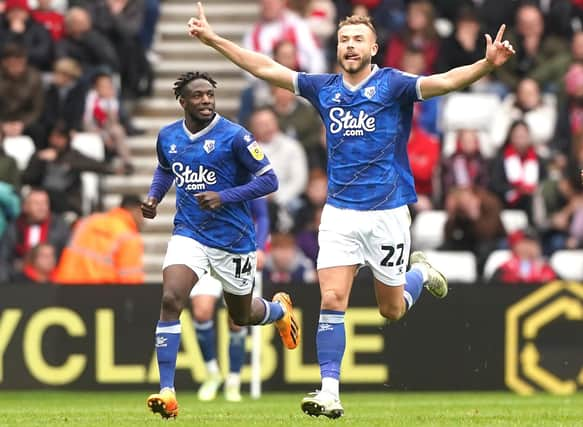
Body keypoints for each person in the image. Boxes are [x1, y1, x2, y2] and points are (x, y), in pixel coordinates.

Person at [187, 3, 515, 418]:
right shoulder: (324, 88)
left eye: (358, 39)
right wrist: (214, 39)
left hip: (388, 213)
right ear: (337, 48)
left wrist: (485, 65)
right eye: (344, 40)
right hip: (340, 213)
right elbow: (265, 69)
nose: (350, 45)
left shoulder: (394, 84)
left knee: (391, 310)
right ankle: (329, 391)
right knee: (332, 297)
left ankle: (420, 273)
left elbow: (443, 82)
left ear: (374, 48)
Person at [142, 71, 299, 419]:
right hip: (189, 233)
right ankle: (167, 391)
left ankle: (278, 311)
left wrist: (224, 196)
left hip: (234, 240)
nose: (205, 101)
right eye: (197, 96)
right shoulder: (168, 136)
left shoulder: (236, 137)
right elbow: (166, 167)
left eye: (210, 95)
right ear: (182, 101)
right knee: (171, 299)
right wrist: (154, 197)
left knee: (241, 315)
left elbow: (270, 180)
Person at [191, 198, 270, 403]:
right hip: (206, 250)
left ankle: (233, 380)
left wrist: (260, 247)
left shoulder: (244, 174)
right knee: (201, 312)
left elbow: (261, 214)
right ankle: (212, 374)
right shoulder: (202, 173)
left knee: (237, 318)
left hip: (237, 254)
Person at [53, 194, 145, 284]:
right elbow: (131, 279)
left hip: (66, 287)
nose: (143, 220)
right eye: (143, 215)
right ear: (136, 210)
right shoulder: (128, 237)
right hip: (100, 293)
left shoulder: (89, 221)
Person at [0, 188, 70, 283]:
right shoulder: (14, 228)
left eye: (45, 203)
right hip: (20, 281)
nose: (42, 208)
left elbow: (68, 257)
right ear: (25, 207)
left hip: (53, 281)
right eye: (36, 203)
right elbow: (3, 258)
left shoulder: (60, 227)